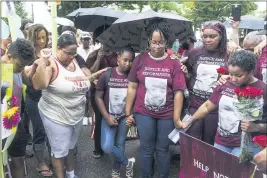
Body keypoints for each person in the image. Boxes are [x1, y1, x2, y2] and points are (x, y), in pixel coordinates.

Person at [31, 33, 105, 178]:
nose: (72, 56)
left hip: (75, 115)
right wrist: (42, 62)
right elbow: (40, 84)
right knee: (59, 151)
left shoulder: (75, 60)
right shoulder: (51, 63)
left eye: (74, 53)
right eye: (68, 53)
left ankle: (71, 173)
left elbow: (82, 78)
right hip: (56, 116)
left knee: (71, 147)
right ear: (58, 48)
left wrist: (92, 77)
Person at [125, 19, 186, 178]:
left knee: (162, 149)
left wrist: (176, 117)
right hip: (143, 112)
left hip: (167, 114)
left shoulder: (174, 62)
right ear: (149, 41)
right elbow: (132, 86)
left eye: (161, 42)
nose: (157, 46)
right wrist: (128, 112)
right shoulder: (140, 59)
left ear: (166, 41)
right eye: (154, 42)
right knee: (146, 148)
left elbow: (179, 91)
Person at [182, 50, 267, 157]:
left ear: (250, 71)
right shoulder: (225, 83)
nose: (234, 79)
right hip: (221, 142)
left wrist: (257, 127)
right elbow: (207, 106)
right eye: (231, 74)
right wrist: (190, 121)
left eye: (239, 75)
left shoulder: (263, 89)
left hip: (245, 146)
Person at [183, 21, 229, 145]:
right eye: (205, 36)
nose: (208, 40)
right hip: (194, 104)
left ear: (221, 36)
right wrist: (185, 74)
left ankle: (207, 165)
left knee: (210, 142)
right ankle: (191, 163)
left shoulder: (228, 53)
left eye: (212, 36)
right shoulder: (194, 52)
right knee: (192, 139)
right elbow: (188, 75)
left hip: (215, 107)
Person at [95, 47, 136, 178]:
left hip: (125, 117)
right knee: (106, 147)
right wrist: (106, 117)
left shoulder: (133, 77)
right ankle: (127, 162)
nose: (127, 64)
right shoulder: (107, 74)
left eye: (130, 61)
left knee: (120, 143)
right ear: (118, 58)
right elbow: (98, 97)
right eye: (125, 60)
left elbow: (137, 97)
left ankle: (116, 170)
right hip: (109, 116)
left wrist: (132, 115)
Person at [1, 39, 35, 178]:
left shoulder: (17, 69)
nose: (21, 69)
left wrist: (36, 66)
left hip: (14, 118)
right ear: (10, 57)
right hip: (2, 121)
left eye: (24, 66)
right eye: (20, 65)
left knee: (19, 159)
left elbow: (28, 81)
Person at [25, 23, 53, 176]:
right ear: (32, 38)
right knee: (39, 130)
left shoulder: (49, 52)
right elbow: (28, 80)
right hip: (34, 98)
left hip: (49, 98)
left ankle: (52, 158)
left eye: (44, 37)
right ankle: (40, 162)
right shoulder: (28, 55)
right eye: (38, 38)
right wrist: (38, 63)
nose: (42, 41)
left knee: (51, 130)